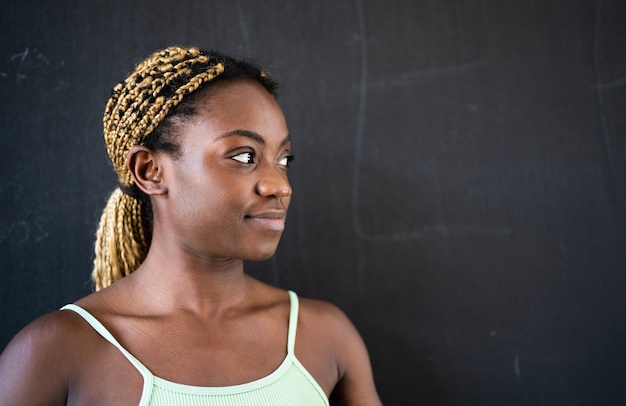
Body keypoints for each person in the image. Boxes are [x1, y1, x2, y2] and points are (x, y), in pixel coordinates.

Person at [0, 46, 382, 406]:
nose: (279, 185)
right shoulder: (57, 350)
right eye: (244, 155)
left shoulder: (324, 335)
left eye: (283, 159)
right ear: (150, 171)